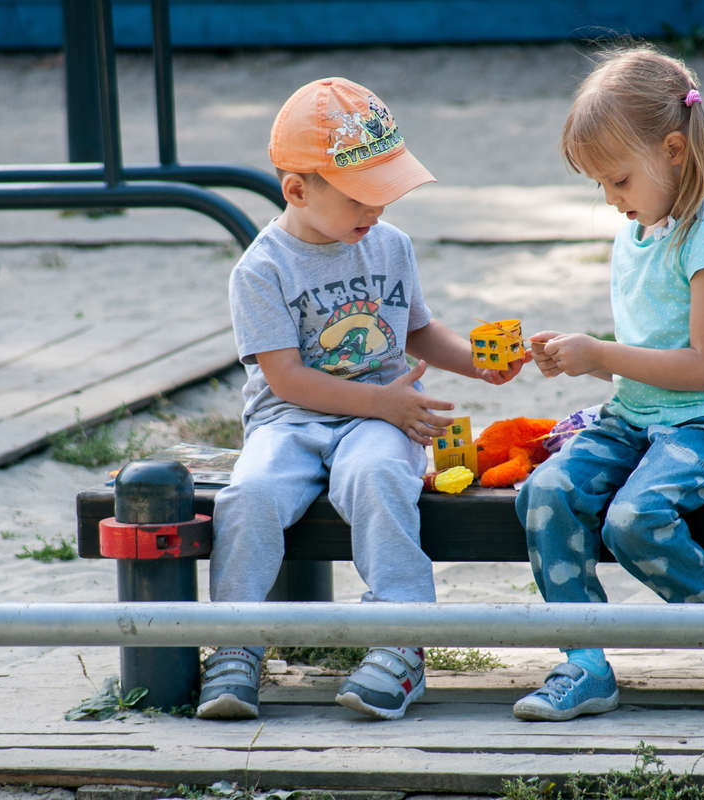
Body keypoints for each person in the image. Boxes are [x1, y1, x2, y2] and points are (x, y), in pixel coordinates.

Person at [197, 77, 526, 721]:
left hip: (380, 416)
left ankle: (402, 643)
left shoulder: (389, 245)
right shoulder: (262, 270)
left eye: (386, 192)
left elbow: (419, 332)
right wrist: (382, 406)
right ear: (298, 190)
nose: (376, 210)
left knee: (377, 475)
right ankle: (235, 643)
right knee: (251, 495)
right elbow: (286, 380)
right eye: (360, 197)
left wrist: (480, 367)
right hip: (291, 420)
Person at [513, 45, 704, 722]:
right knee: (545, 493)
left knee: (634, 519)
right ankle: (585, 661)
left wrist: (600, 354)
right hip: (634, 417)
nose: (610, 200)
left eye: (619, 180)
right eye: (600, 184)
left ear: (675, 151)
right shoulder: (636, 233)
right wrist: (583, 357)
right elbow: (642, 350)